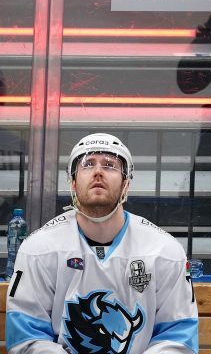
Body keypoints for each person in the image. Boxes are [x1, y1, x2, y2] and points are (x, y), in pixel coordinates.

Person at [5, 133, 198, 353]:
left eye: (109, 165)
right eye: (88, 164)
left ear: (126, 183)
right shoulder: (38, 249)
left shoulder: (165, 251)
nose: (98, 171)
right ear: (73, 182)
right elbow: (27, 338)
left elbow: (178, 337)